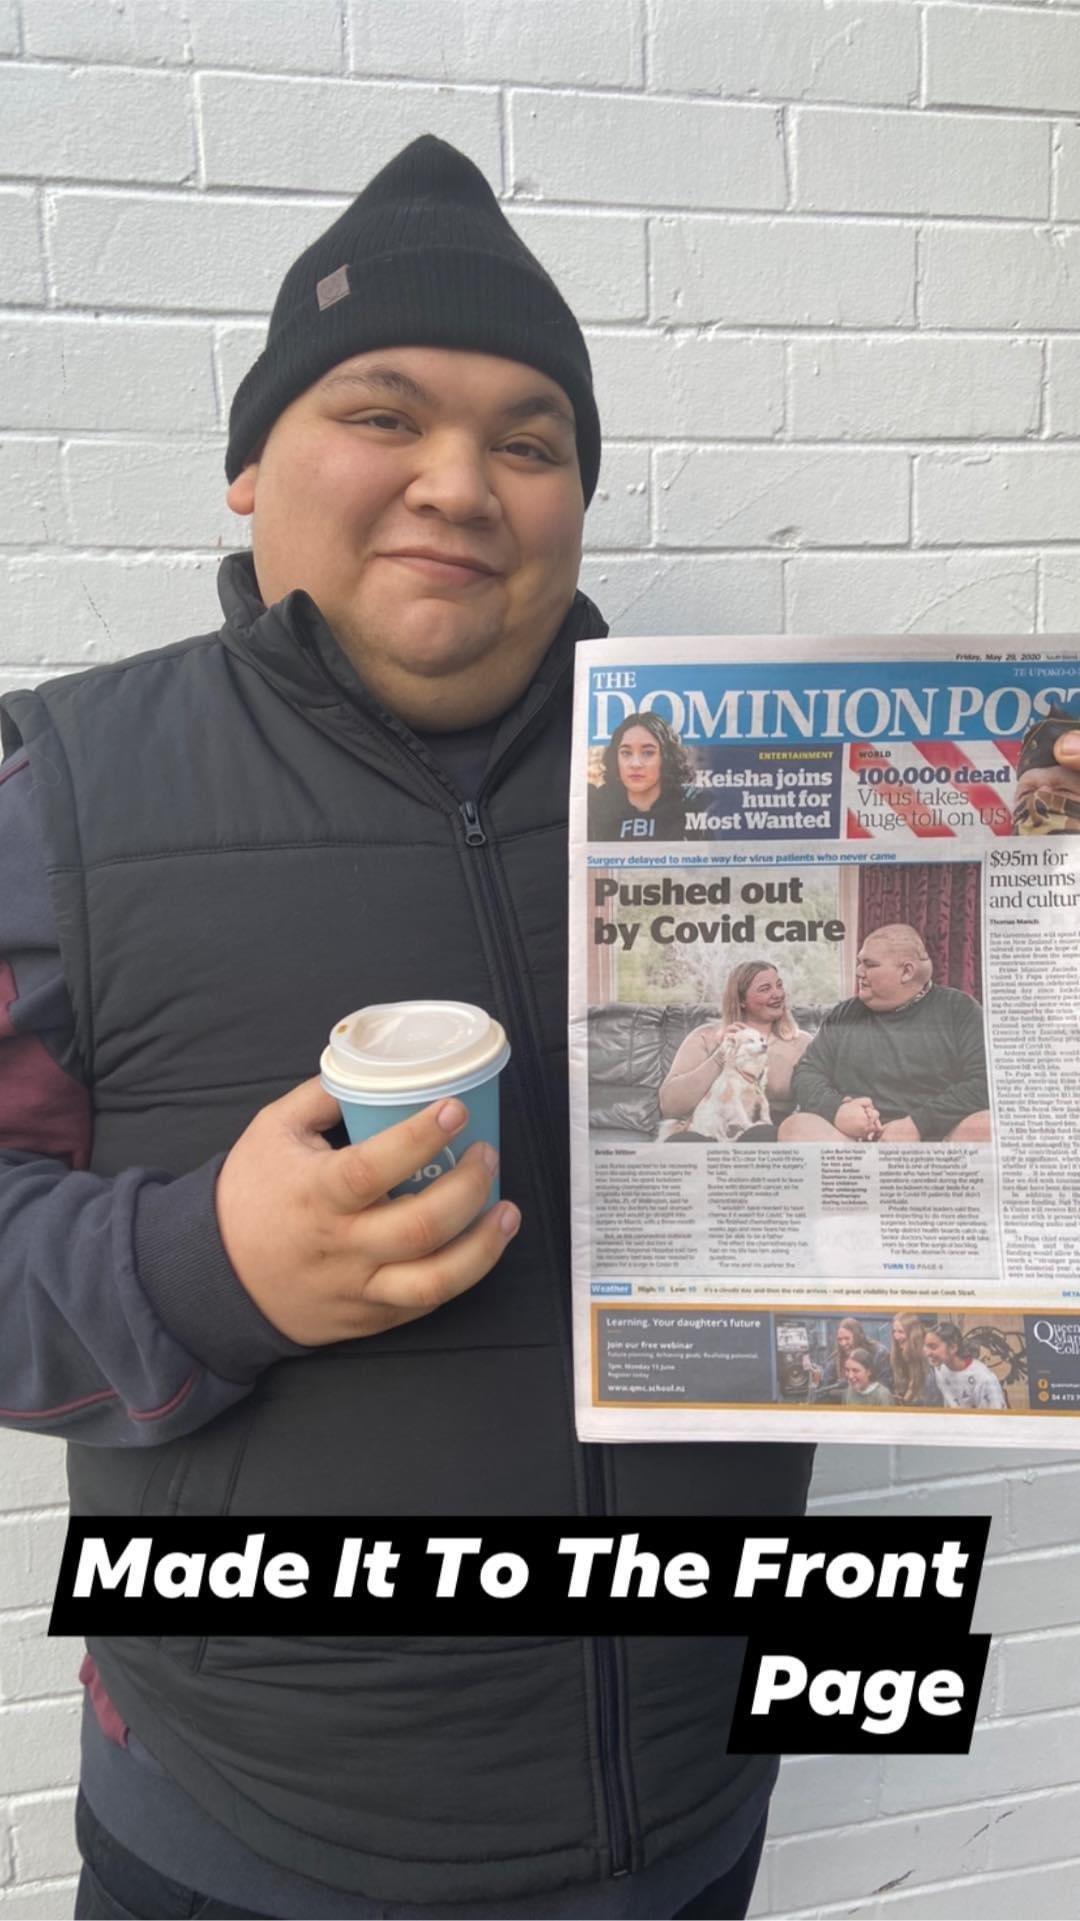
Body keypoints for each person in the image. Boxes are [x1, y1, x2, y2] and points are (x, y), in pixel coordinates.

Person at [0, 139, 813, 1921]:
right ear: (249, 464)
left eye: (530, 440)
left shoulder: (743, 797)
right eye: (383, 414)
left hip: (693, 1812)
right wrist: (205, 1267)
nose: (460, 481)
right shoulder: (59, 796)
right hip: (251, 1847)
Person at [779, 923, 991, 1145]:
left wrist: (918, 1124)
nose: (859, 971)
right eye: (859, 962)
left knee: (988, 1125)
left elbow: (985, 1081)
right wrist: (837, 1110)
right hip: (854, 1143)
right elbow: (807, 1072)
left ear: (906, 972)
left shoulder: (959, 1009)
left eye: (869, 964)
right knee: (796, 1127)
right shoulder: (844, 1014)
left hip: (934, 1141)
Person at [659, 961, 812, 1141]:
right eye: (765, 989)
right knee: (681, 1142)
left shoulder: (802, 1043)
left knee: (759, 1135)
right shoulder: (704, 1037)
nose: (777, 994)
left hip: (767, 1133)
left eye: (779, 985)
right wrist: (720, 1057)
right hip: (710, 1130)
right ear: (741, 1000)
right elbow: (669, 1106)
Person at [588, 710, 700, 841]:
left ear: (666, 757)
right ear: (615, 758)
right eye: (626, 753)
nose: (635, 764)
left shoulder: (692, 806)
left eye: (648, 753)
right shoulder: (594, 807)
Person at [923, 1323, 1008, 1411]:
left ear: (952, 1347)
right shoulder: (940, 1367)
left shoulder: (985, 1379)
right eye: (925, 1346)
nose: (927, 1353)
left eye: (933, 1347)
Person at [809, 1317, 892, 1404]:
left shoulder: (879, 1353)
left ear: (858, 1337)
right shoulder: (836, 1358)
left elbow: (886, 1386)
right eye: (840, 1339)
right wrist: (818, 1381)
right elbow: (824, 1388)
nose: (843, 1343)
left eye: (847, 1338)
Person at [889, 1312, 944, 1408]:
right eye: (894, 1331)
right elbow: (912, 1384)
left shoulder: (928, 1357)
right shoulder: (901, 1354)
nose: (896, 1336)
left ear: (913, 1334)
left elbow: (931, 1398)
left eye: (901, 1332)